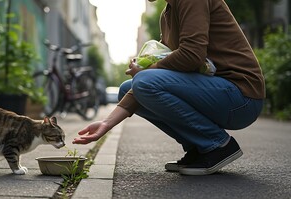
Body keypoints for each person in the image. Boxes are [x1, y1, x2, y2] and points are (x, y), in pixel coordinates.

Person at [72, 0, 265, 176]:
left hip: (241, 97)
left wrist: (146, 73)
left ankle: (217, 145)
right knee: (127, 89)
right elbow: (159, 71)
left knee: (144, 81)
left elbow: (191, 55)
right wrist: (107, 123)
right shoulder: (167, 14)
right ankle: (198, 148)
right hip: (218, 92)